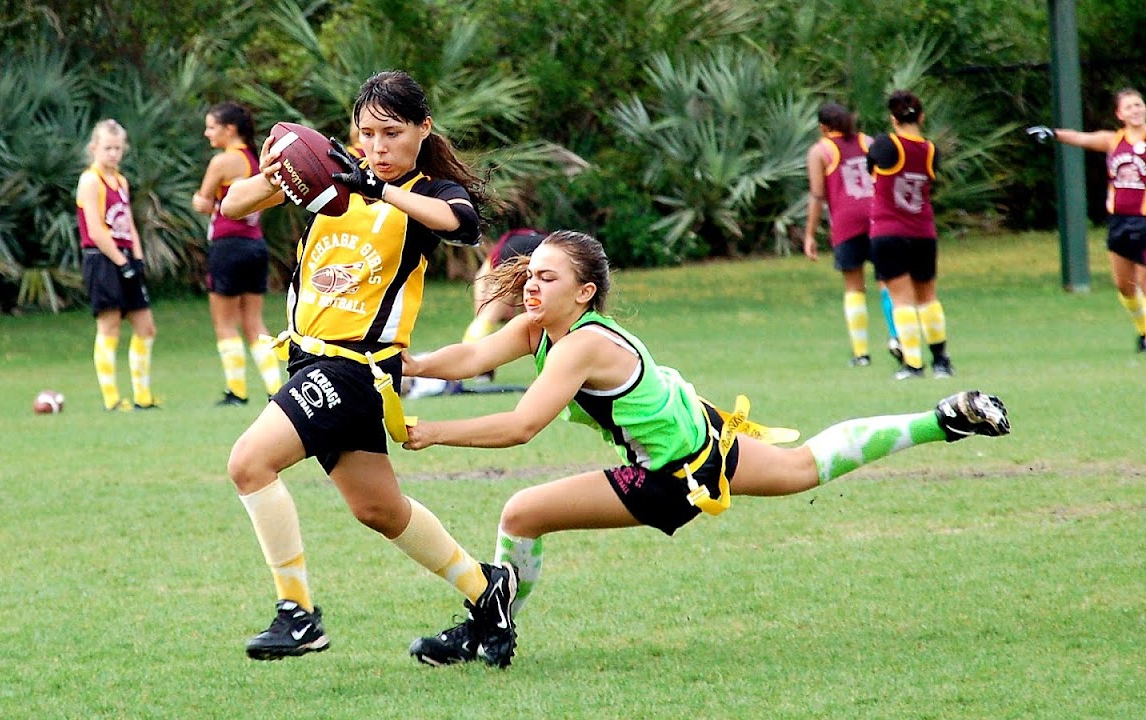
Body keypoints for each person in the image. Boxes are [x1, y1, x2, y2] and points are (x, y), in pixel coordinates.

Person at [400, 230, 1010, 666]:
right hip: (710, 439)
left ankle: (487, 627)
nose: (531, 286)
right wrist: (414, 363)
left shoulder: (579, 345)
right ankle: (944, 420)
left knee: (520, 514)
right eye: (531, 275)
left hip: (673, 473)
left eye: (547, 278)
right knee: (805, 468)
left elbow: (521, 425)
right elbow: (475, 356)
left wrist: (430, 431)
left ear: (584, 294)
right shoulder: (539, 327)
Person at [218, 70, 520, 667]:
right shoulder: (332, 178)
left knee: (249, 463)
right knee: (378, 510)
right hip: (309, 361)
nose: (378, 148)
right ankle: (488, 595)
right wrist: (280, 173)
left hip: (356, 370)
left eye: (392, 133)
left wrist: (377, 189)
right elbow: (233, 204)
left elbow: (463, 225)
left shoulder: (426, 191)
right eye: (367, 134)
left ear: (422, 129)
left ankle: (297, 614)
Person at [1027, 88, 1146, 351]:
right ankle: (1143, 331)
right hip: (1119, 221)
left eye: (1138, 105)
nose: (1135, 110)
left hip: (1144, 220)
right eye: (1129, 107)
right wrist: (1054, 133)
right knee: (1125, 287)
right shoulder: (1114, 140)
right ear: (1119, 114)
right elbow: (1082, 138)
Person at [191, 102, 284, 407]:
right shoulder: (256, 160)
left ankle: (237, 391)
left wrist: (200, 201)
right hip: (255, 245)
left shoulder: (223, 162)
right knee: (255, 322)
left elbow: (204, 202)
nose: (207, 133)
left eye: (211, 127)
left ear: (229, 129)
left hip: (228, 244)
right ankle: (275, 388)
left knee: (225, 323)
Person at [804, 102, 901, 367]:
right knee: (887, 282)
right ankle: (897, 337)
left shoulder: (820, 150)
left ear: (823, 127)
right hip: (878, 216)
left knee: (854, 287)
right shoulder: (867, 141)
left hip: (847, 222)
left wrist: (809, 234)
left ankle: (861, 353)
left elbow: (817, 194)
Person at [868, 90, 954, 380]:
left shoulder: (886, 144)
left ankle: (913, 364)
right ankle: (941, 361)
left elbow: (873, 165)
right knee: (928, 297)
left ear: (893, 119)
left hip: (889, 231)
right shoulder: (932, 151)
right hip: (922, 232)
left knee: (901, 299)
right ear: (922, 116)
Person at [75, 119, 159, 411]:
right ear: (94, 148)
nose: (113, 154)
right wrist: (121, 262)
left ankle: (143, 396)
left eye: (118, 148)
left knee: (145, 326)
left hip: (124, 255)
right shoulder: (90, 180)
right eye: (107, 148)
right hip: (102, 259)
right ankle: (112, 398)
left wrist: (136, 257)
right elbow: (96, 230)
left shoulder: (121, 181)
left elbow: (127, 223)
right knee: (109, 326)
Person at [461, 228, 548, 345]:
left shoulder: (497, 262)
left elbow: (479, 279)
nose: (509, 314)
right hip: (544, 250)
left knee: (488, 317)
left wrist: (480, 313)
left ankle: (468, 349)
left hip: (520, 254)